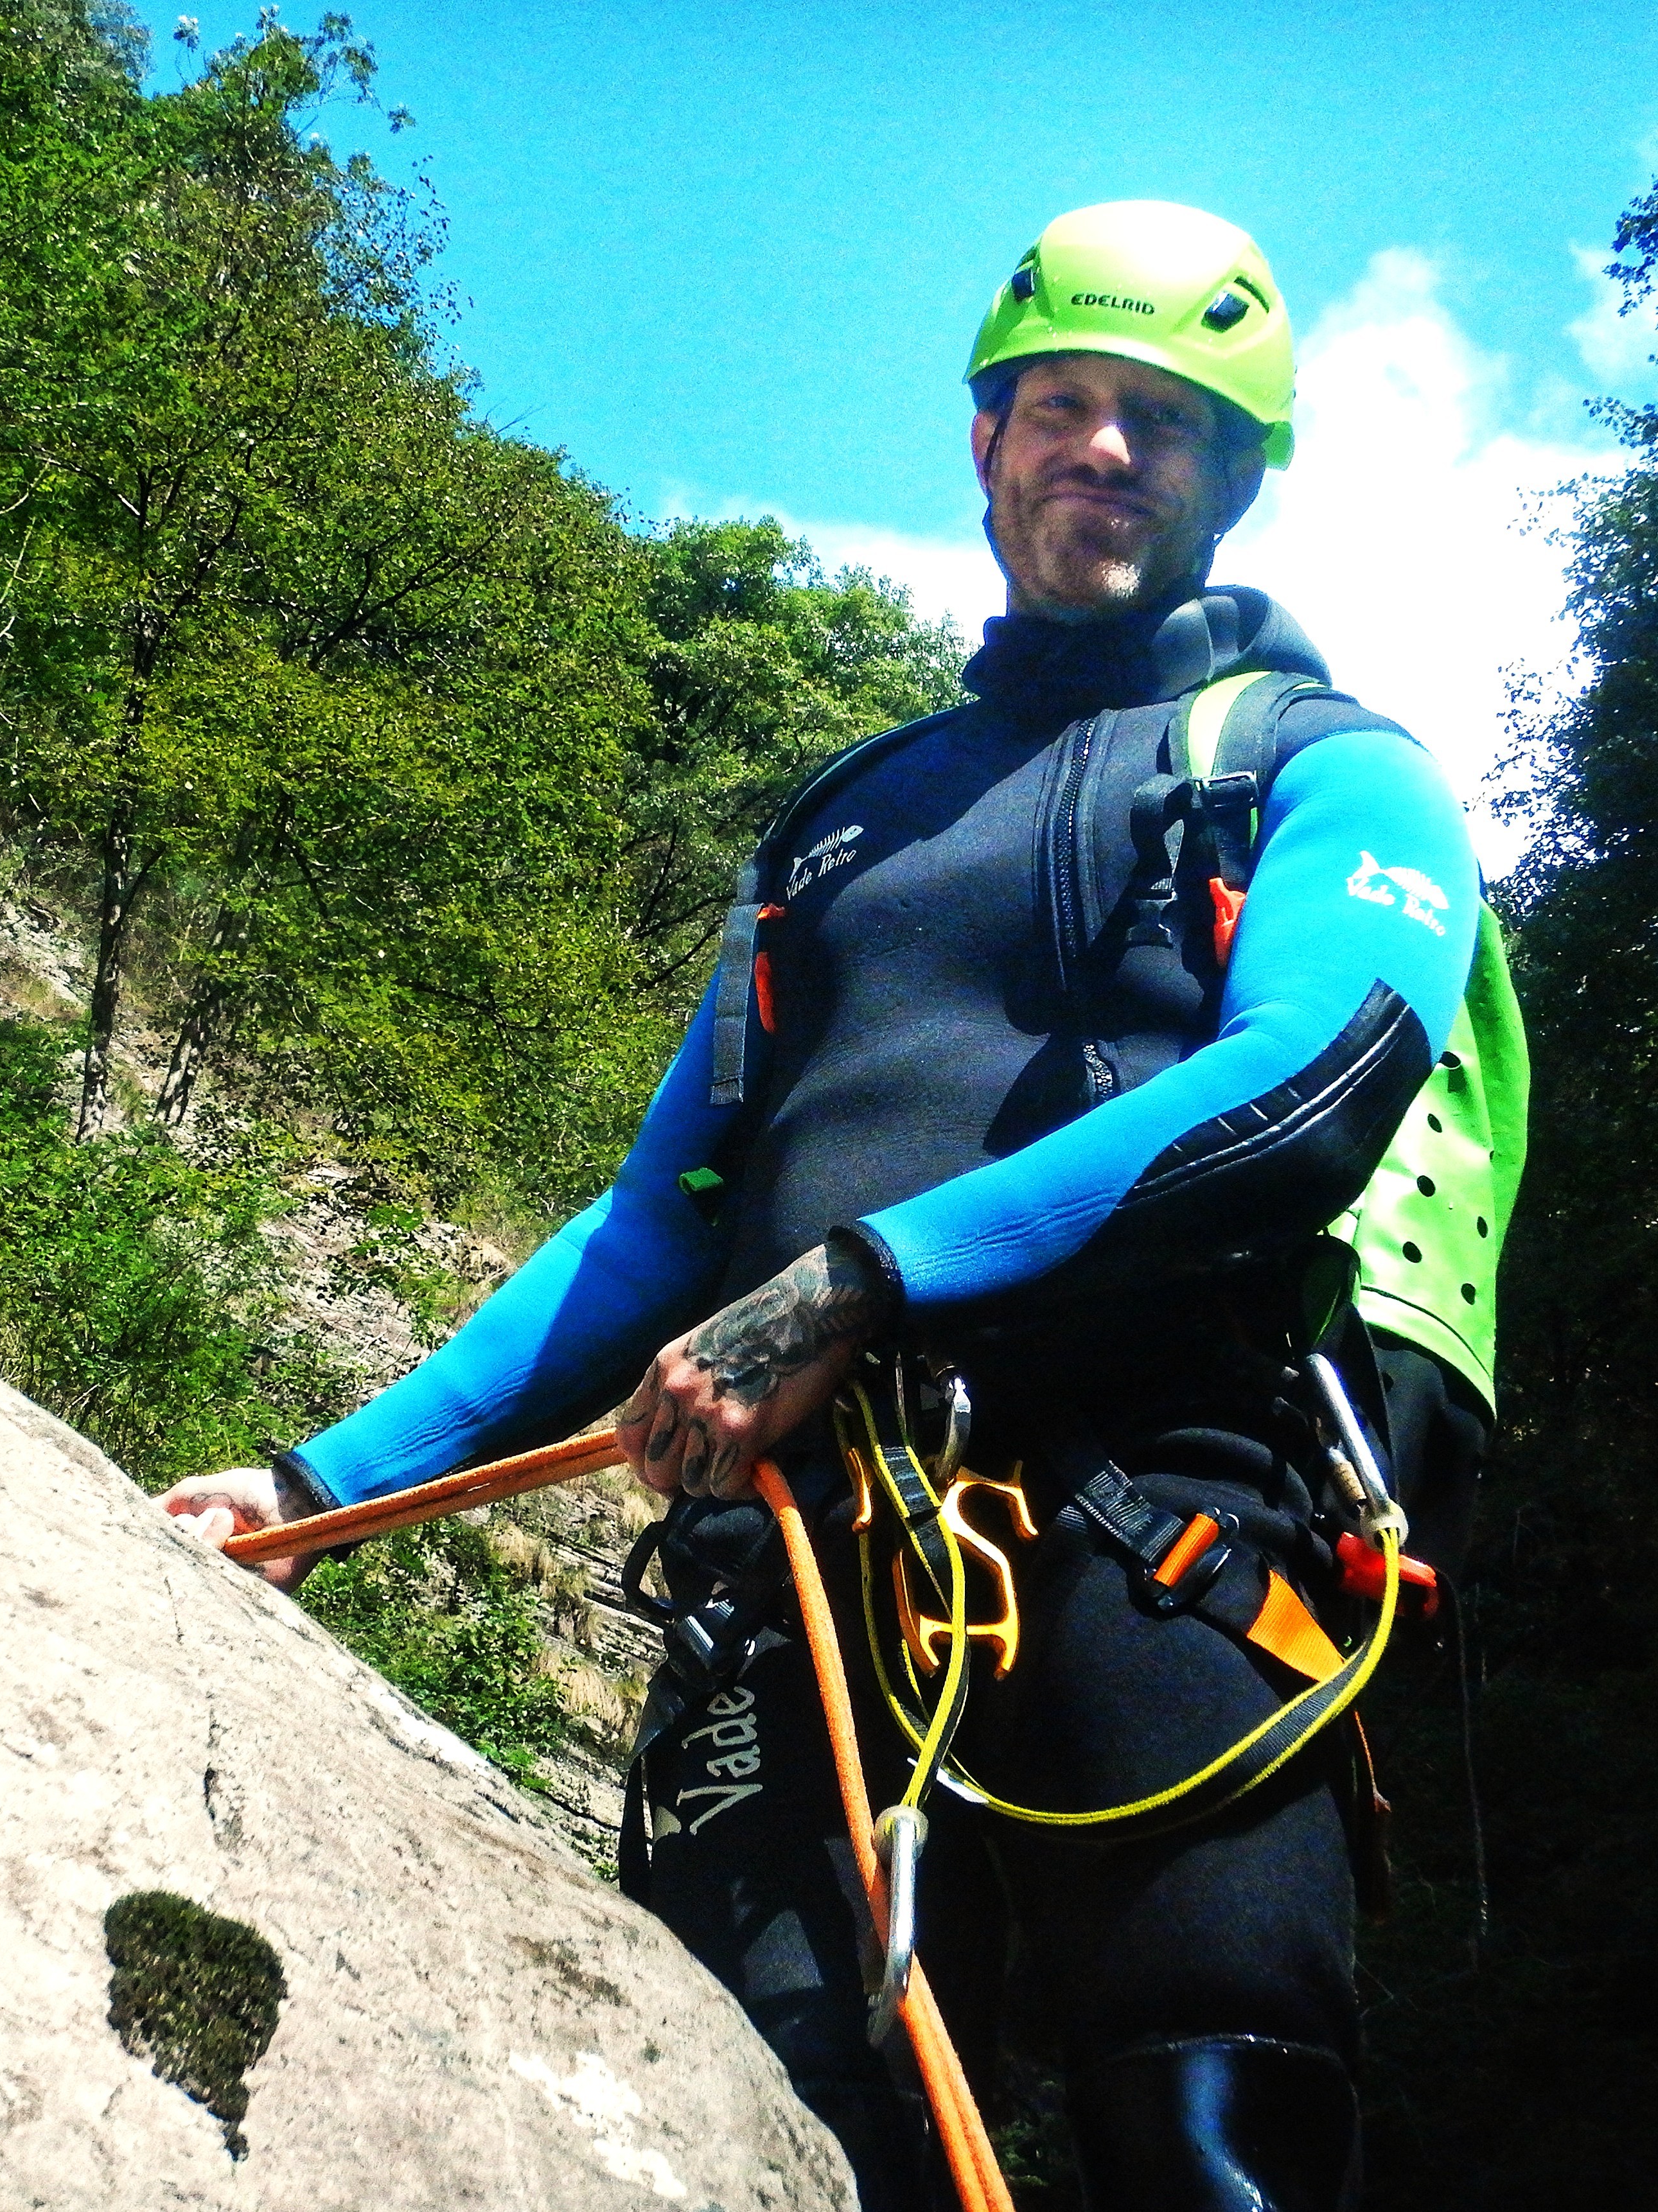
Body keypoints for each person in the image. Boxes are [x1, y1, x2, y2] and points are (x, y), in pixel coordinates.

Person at [163, 201, 1512, 2212]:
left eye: (1166, 418)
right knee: (759, 2141)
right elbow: (656, 1229)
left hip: (1159, 1528)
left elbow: (1314, 1079)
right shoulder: (838, 827)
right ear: (987, 442)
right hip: (788, 1581)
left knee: (1215, 2138)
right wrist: (308, 1488)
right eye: (1064, 403)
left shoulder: (1322, 767)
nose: (1108, 446)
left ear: (1236, 476)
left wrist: (855, 1286)